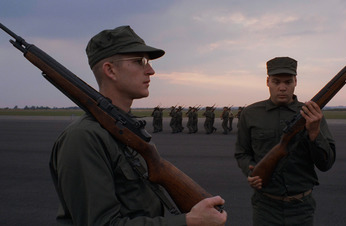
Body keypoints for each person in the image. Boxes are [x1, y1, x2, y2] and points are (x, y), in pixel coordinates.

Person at [50, 25, 227, 225]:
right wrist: (187, 222)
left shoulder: (127, 130)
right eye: (139, 61)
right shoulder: (84, 138)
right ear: (110, 70)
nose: (150, 70)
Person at [235, 57, 335, 225]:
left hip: (301, 208)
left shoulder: (312, 114)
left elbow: (326, 163)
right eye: (276, 82)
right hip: (265, 207)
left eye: (288, 82)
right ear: (268, 82)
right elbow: (242, 153)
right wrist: (251, 171)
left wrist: (314, 132)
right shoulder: (250, 113)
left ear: (296, 82)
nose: (282, 88)